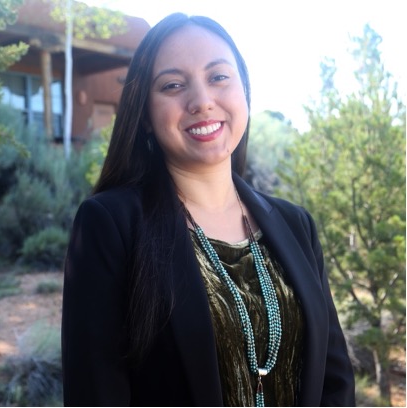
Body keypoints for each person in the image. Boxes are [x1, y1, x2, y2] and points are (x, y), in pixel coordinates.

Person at [61, 12, 355, 407]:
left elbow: (335, 385)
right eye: (173, 85)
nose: (201, 101)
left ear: (244, 91)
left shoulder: (295, 225)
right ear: (145, 116)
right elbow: (96, 395)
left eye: (218, 77)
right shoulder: (110, 225)